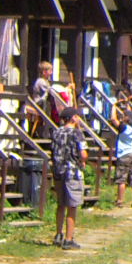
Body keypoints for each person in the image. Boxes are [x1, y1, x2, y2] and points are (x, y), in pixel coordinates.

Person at [49, 102, 87, 249]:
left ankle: (58, 234)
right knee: (72, 205)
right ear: (73, 118)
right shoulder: (77, 133)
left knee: (61, 204)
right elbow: (83, 153)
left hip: (58, 171)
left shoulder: (56, 132)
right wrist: (83, 161)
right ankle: (69, 238)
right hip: (72, 172)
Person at [112, 105, 132, 210]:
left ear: (127, 118)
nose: (122, 116)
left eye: (124, 115)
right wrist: (127, 103)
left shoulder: (123, 128)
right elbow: (130, 113)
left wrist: (114, 106)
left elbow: (113, 119)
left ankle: (120, 200)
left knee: (121, 178)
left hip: (124, 154)